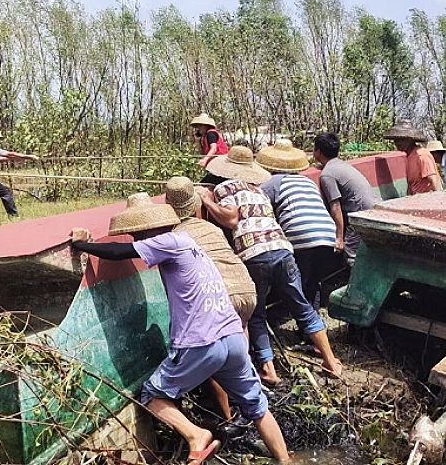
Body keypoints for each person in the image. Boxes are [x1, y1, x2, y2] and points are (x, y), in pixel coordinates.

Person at [70, 193, 289, 464]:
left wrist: (81, 244)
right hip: (232, 336)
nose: (137, 241)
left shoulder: (168, 242)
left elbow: (118, 253)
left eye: (137, 235)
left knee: (152, 394)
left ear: (147, 229)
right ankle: (286, 460)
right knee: (257, 407)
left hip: (200, 342)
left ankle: (196, 435)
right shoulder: (190, 244)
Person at [199, 146, 343, 385]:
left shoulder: (225, 187)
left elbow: (231, 219)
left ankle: (268, 369)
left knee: (257, 314)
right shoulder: (258, 190)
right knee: (302, 306)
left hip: (254, 254)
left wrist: (207, 200)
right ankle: (330, 361)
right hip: (282, 250)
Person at [164, 176, 259, 430]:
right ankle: (250, 405)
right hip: (246, 288)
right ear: (196, 206)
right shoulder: (211, 227)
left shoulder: (175, 236)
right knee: (239, 355)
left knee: (218, 359)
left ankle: (228, 417)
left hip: (221, 294)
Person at [257, 140, 339, 309]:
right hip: (328, 233)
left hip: (302, 235)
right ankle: (313, 320)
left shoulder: (273, 182)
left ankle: (304, 321)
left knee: (297, 281)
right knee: (313, 282)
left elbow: (257, 201)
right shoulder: (308, 181)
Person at [312, 132, 380, 266]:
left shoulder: (327, 175)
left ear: (318, 152)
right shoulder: (341, 165)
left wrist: (339, 238)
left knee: (351, 255)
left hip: (360, 213)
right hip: (374, 208)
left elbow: (335, 206)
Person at [384, 121, 442, 195]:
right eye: (396, 140)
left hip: (426, 199)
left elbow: (434, 180)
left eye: (401, 140)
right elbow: (411, 184)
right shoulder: (408, 157)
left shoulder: (421, 155)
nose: (397, 143)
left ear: (409, 140)